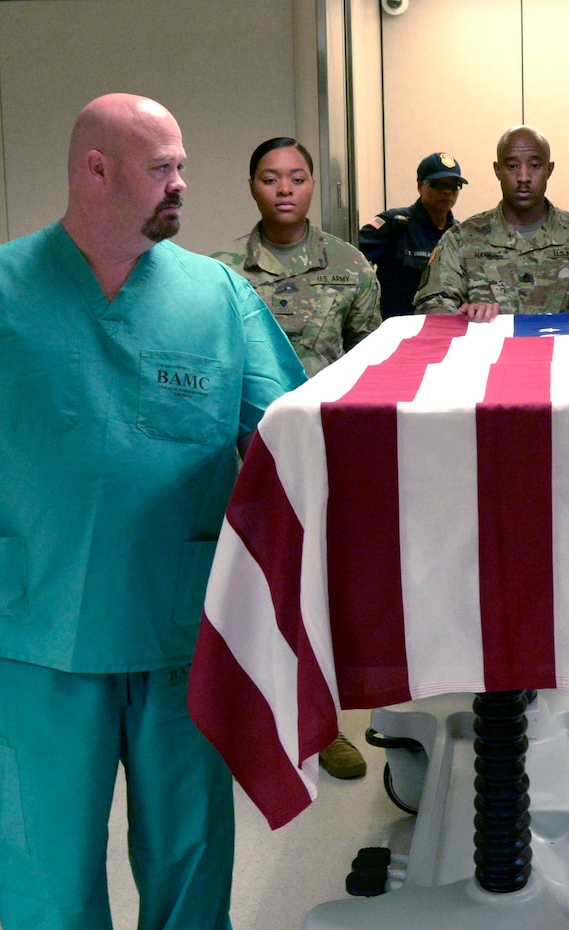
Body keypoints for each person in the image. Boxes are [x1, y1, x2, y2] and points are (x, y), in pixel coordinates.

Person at [0, 94, 305, 930]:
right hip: (34, 623)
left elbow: (279, 439)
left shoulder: (216, 296)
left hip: (179, 614)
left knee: (189, 833)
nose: (184, 185)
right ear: (97, 170)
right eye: (163, 167)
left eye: (184, 164)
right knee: (46, 851)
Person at [212, 136, 380, 781]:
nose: (284, 189)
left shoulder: (349, 265)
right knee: (255, 587)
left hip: (326, 459)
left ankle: (325, 724)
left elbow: (371, 365)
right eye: (270, 177)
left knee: (323, 591)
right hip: (244, 456)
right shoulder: (221, 269)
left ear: (313, 185)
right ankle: (250, 718)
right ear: (252, 186)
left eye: (297, 177)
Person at [412, 125, 569, 321]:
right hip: (486, 362)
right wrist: (463, 315)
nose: (524, 177)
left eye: (535, 165)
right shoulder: (461, 239)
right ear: (498, 170)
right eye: (512, 166)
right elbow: (431, 308)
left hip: (564, 362)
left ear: (549, 169)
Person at [359, 151, 466, 317]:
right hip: (398, 328)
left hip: (443, 326)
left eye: (453, 185)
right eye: (438, 184)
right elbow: (351, 261)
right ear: (420, 186)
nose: (447, 191)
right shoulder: (394, 224)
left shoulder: (460, 234)